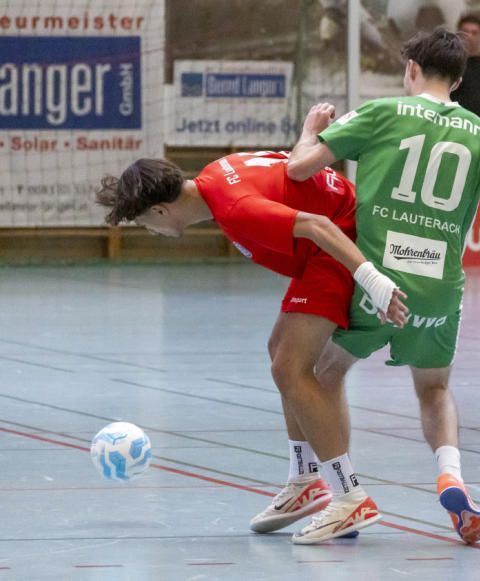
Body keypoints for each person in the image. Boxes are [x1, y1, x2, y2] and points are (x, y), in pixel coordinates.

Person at [286, 28, 480, 544]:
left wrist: (311, 130)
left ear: (411, 70)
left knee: (323, 373)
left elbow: (298, 170)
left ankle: (342, 494)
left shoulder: (381, 113)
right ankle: (451, 475)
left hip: (375, 281)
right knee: (435, 389)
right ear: (459, 79)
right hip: (438, 288)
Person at [95, 151, 409, 542]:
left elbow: (318, 225)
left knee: (289, 367)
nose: (149, 230)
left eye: (143, 222)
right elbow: (291, 169)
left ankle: (349, 496)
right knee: (279, 349)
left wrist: (374, 282)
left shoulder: (235, 208)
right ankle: (305, 480)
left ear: (160, 210)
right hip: (327, 243)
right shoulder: (216, 173)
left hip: (342, 241)